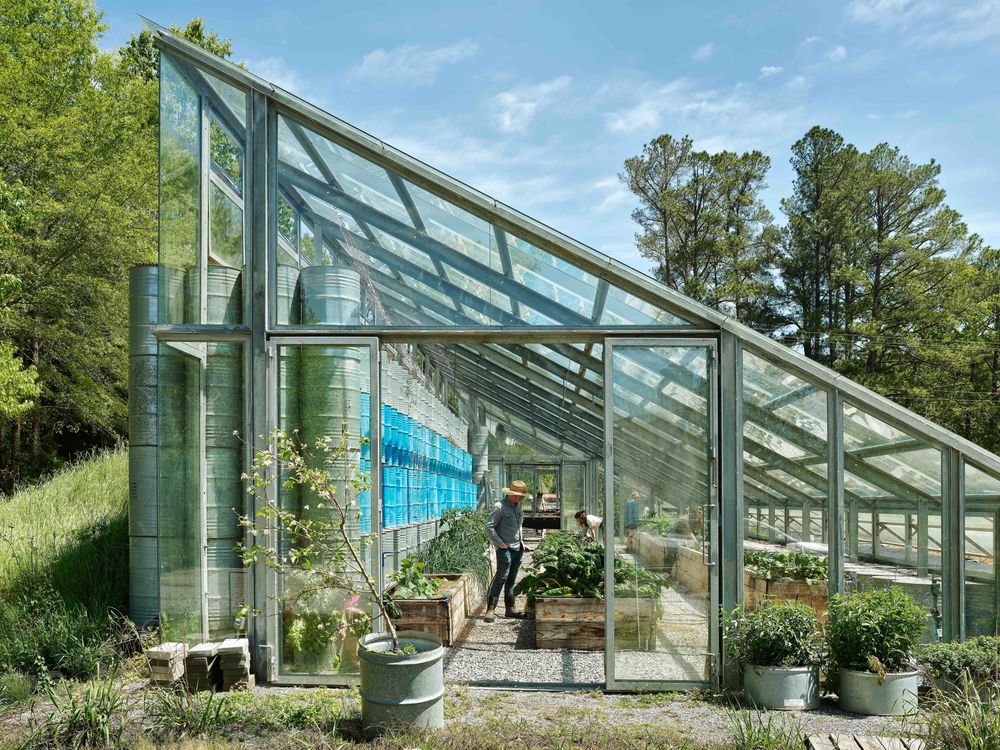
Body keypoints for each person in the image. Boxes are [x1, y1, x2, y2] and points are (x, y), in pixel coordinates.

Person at [484, 479, 531, 622]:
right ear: (512, 494)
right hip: (505, 549)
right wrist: (500, 544)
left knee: (511, 579)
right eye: (520, 496)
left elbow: (518, 527)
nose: (522, 498)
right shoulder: (499, 507)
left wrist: (522, 543)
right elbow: (489, 527)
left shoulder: (517, 506)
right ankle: (490, 610)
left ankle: (510, 609)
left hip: (518, 548)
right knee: (501, 577)